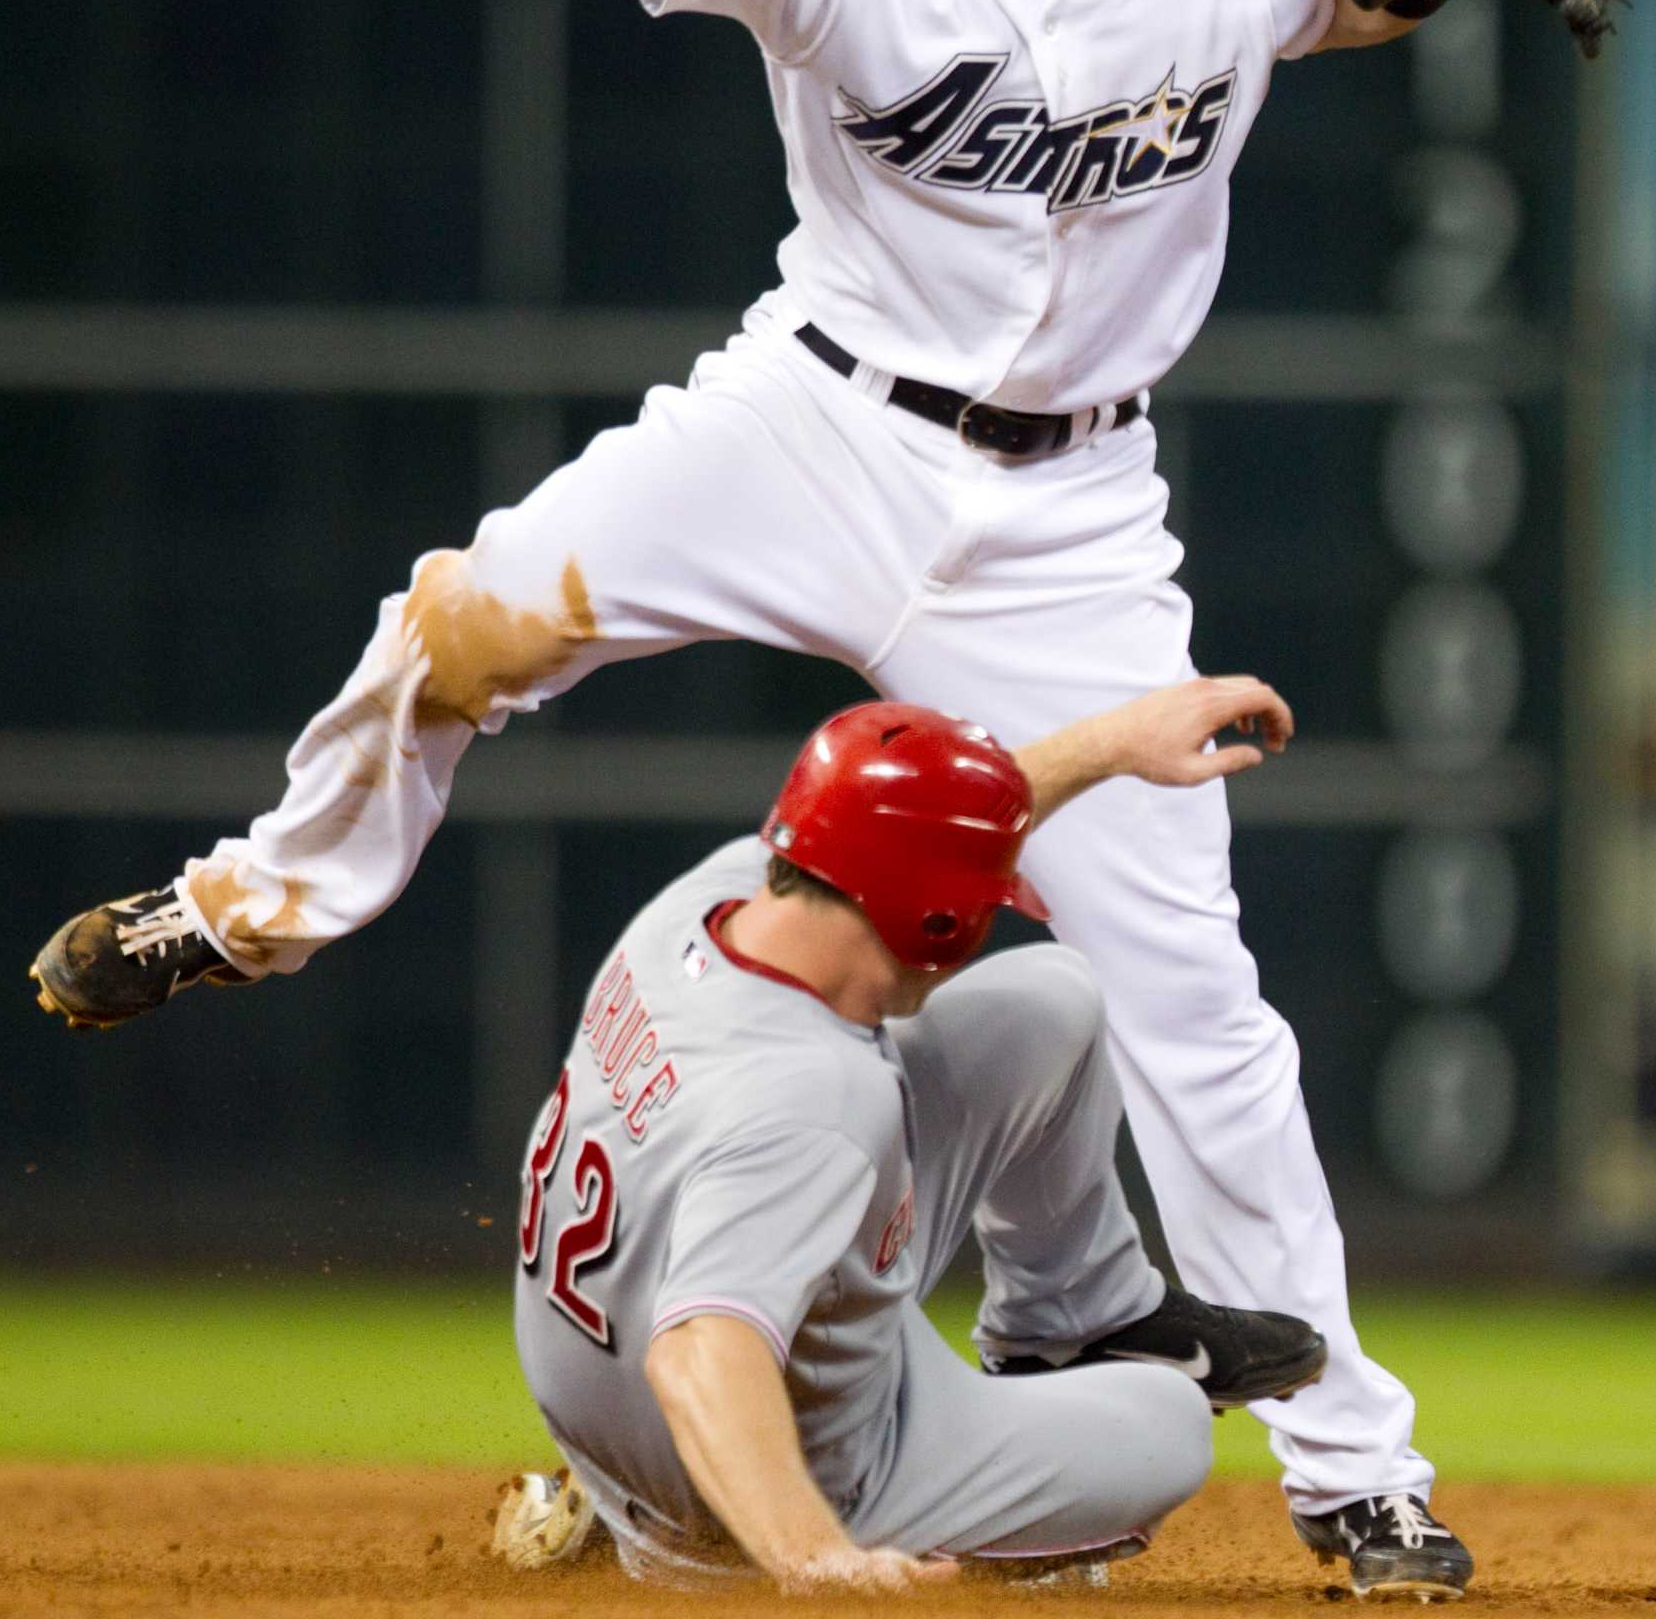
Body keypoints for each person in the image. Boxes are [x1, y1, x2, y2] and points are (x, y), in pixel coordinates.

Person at [30, 0, 1486, 1599]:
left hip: (1070, 507)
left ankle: (1351, 1470)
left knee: (1194, 1010)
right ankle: (242, 903)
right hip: (813, 423)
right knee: (460, 623)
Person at [496, 676, 1313, 1590]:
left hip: (615, 1370)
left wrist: (1114, 743)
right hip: (757, 1469)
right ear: (938, 914)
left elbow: (912, 819)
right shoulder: (813, 1102)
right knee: (1167, 1425)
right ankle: (699, 1554)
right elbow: (700, 1353)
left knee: (1054, 1002)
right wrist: (814, 1557)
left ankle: (1073, 1323)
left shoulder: (711, 900)